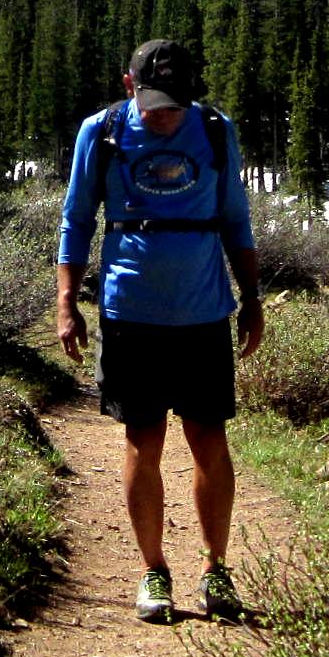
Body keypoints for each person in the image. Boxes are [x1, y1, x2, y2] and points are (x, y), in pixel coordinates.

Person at [56, 38, 264, 624]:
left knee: (209, 441)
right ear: (129, 86)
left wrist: (252, 299)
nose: (163, 115)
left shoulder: (216, 130)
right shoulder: (101, 132)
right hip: (130, 314)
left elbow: (236, 219)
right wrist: (67, 300)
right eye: (152, 103)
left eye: (174, 104)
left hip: (204, 314)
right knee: (142, 442)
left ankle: (215, 568)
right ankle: (154, 569)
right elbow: (76, 218)